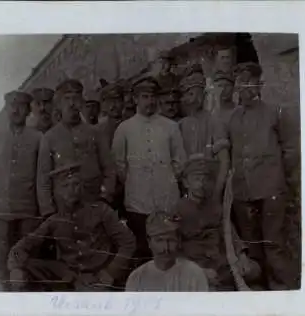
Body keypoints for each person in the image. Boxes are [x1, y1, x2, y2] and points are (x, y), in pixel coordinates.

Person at [7, 162, 136, 292]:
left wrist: (111, 272)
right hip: (69, 277)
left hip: (97, 277)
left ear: (82, 187)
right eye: (65, 186)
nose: (71, 190)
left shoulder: (101, 211)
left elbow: (128, 242)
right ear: (56, 191)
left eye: (76, 184)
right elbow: (23, 246)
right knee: (25, 270)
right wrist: (15, 268)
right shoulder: (54, 220)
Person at [227, 62, 299, 290]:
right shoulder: (232, 118)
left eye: (249, 82)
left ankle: (282, 291)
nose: (244, 88)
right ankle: (259, 293)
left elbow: (290, 151)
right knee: (252, 245)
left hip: (271, 189)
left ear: (260, 84)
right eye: (240, 83)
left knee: (273, 243)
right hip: (243, 192)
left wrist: (280, 178)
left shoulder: (275, 112)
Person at [112, 76, 186, 268]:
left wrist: (166, 179)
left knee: (169, 247)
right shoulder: (124, 129)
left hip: (167, 199)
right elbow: (119, 165)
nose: (150, 101)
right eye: (144, 96)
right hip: (138, 201)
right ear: (135, 99)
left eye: (153, 97)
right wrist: (136, 183)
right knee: (143, 250)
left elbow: (179, 161)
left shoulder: (170, 127)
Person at [0, 90, 42, 291]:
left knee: (26, 255)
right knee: (3, 255)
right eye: (11, 106)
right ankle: (7, 296)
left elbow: (41, 176)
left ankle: (26, 296)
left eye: (21, 106)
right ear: (6, 109)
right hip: (2, 210)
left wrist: (43, 211)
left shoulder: (38, 138)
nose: (16, 110)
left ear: (28, 110)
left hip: (28, 209)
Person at [170, 155, 261, 291]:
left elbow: (230, 234)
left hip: (220, 262)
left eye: (205, 179)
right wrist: (199, 271)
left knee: (254, 270)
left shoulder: (215, 207)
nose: (201, 184)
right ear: (186, 183)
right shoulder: (177, 210)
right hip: (197, 264)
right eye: (196, 179)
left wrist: (241, 256)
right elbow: (174, 250)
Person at [37, 79, 116, 218]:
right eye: (67, 99)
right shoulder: (50, 137)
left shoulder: (95, 133)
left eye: (76, 98)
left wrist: (105, 195)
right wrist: (48, 210)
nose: (72, 104)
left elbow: (109, 168)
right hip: (63, 208)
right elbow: (43, 179)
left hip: (94, 202)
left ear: (81, 102)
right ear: (59, 105)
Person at [178, 64, 230, 200]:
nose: (192, 99)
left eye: (194, 93)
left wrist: (217, 193)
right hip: (188, 191)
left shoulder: (214, 121)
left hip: (210, 188)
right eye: (188, 94)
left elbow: (224, 161)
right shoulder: (180, 125)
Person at [125, 212, 209, 292]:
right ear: (149, 242)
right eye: (159, 241)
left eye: (171, 240)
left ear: (178, 241)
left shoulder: (194, 275)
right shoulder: (136, 278)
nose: (165, 248)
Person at [96, 82, 127, 219]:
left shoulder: (131, 125)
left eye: (117, 100)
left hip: (130, 185)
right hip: (108, 188)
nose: (114, 106)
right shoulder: (98, 130)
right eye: (109, 101)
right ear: (103, 105)